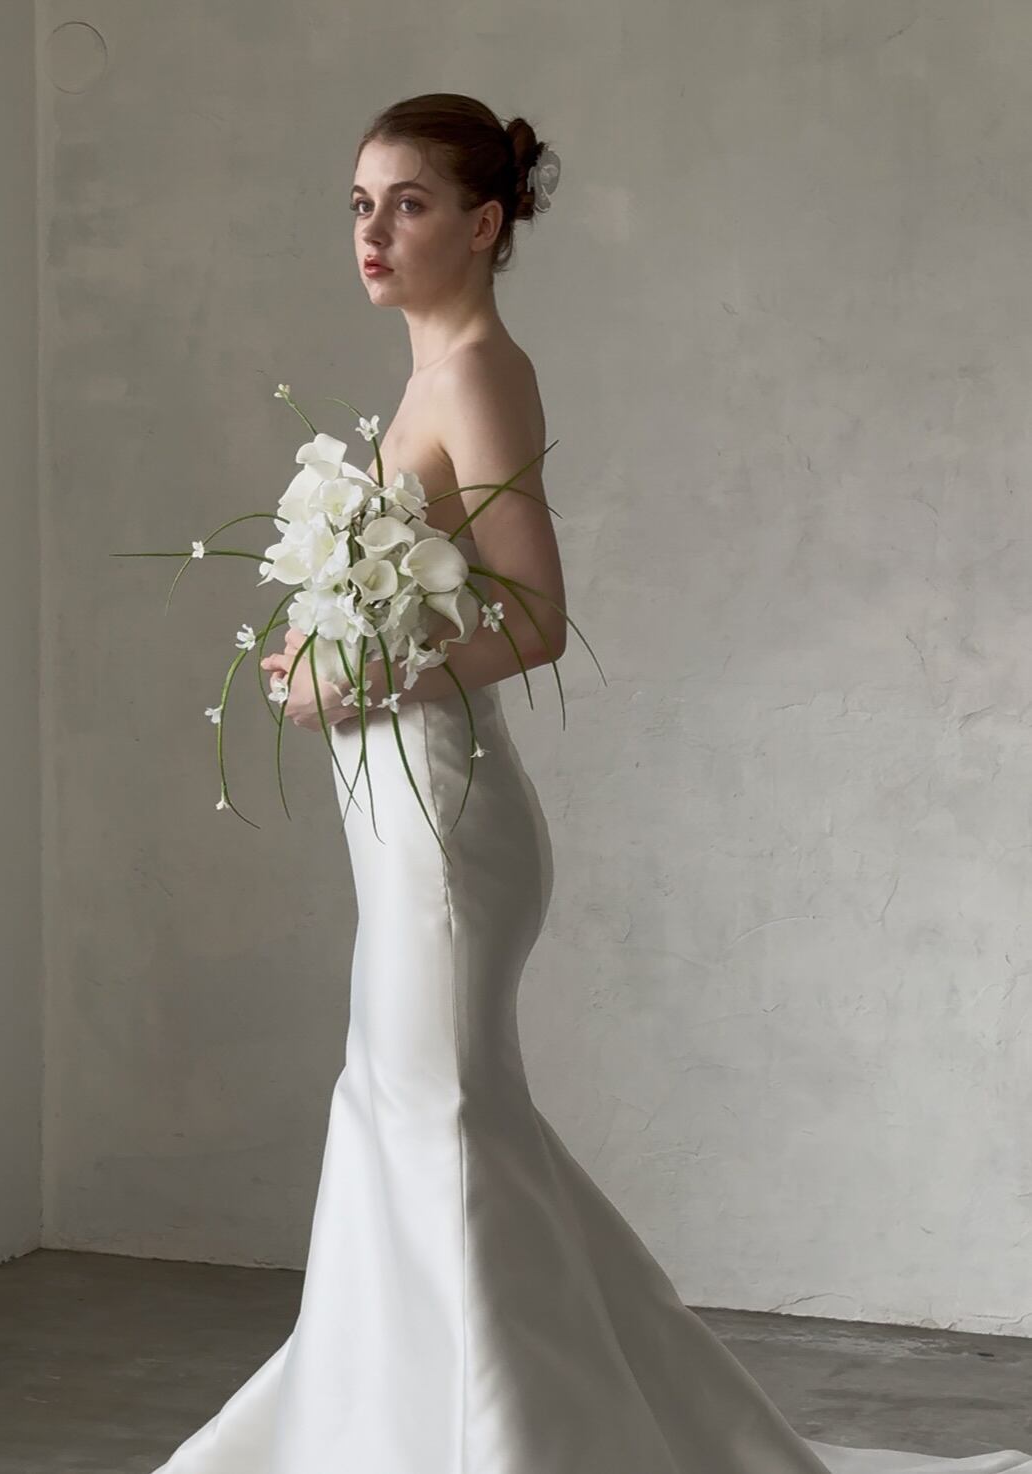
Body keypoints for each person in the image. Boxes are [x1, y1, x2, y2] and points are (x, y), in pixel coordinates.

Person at [150, 93, 1031, 1473]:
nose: (373, 231)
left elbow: (537, 618)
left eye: (410, 204)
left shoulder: (477, 372)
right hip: (401, 820)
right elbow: (423, 601)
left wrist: (362, 675)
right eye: (360, 206)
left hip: (448, 833)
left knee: (436, 1122)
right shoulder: (430, 377)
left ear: (485, 224)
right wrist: (318, 657)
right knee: (414, 1117)